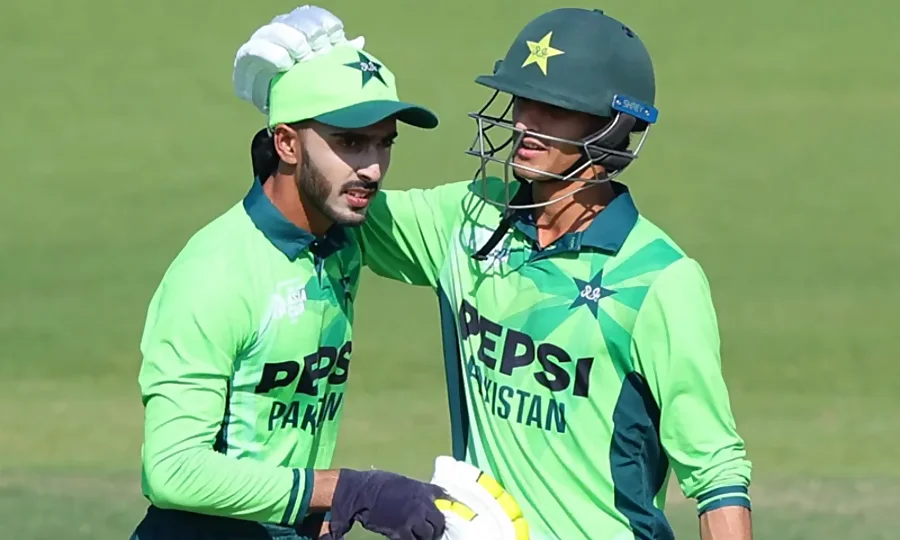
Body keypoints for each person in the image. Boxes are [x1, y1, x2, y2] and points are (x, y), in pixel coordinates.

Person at [356, 7, 754, 540]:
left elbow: (716, 471)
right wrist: (306, 97)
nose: (524, 122)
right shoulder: (468, 219)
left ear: (611, 127)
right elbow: (333, 201)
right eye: (522, 100)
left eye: (555, 108)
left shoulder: (659, 280)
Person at [130, 7, 447, 540]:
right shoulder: (215, 274)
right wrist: (343, 490)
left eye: (384, 142)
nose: (372, 168)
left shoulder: (342, 234)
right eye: (350, 142)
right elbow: (172, 471)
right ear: (287, 144)